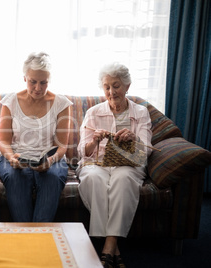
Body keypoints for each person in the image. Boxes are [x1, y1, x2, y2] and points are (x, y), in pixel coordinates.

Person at [77, 62, 152, 267]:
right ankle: (114, 246)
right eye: (107, 87)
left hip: (128, 164)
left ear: (127, 86)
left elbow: (145, 150)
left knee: (124, 178)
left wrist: (134, 139)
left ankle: (108, 244)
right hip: (97, 163)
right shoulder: (93, 112)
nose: (111, 92)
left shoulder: (141, 113)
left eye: (116, 85)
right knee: (93, 178)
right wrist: (94, 140)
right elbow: (83, 151)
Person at [0, 52, 72, 222]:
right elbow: (3, 141)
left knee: (51, 177)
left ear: (49, 80)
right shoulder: (10, 102)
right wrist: (11, 157)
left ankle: (39, 237)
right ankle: (25, 237)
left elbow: (61, 146)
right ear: (25, 78)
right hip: (15, 156)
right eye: (33, 82)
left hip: (51, 157)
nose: (38, 88)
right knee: (17, 177)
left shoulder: (61, 104)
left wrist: (50, 161)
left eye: (43, 82)